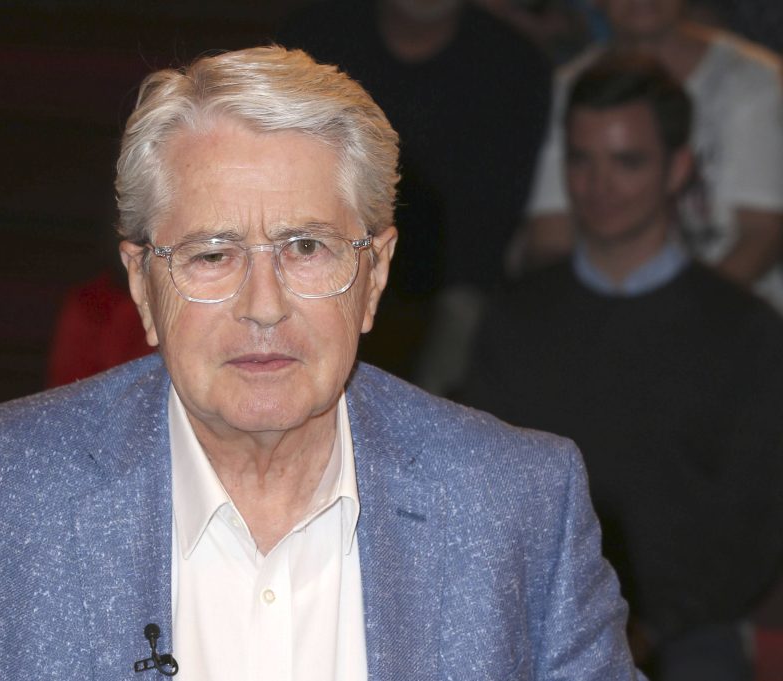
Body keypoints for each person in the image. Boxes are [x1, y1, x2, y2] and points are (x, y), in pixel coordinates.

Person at [0, 46, 640, 680]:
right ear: (143, 287)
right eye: (212, 254)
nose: (263, 305)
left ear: (374, 277)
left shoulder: (520, 504)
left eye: (306, 248)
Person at [465, 54, 783, 680]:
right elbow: (483, 493)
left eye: (627, 161)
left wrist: (647, 628)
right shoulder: (517, 319)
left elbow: (756, 523)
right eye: (581, 160)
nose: (599, 185)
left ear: (679, 169)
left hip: (687, 632)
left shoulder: (744, 332)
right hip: (534, 622)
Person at [280, 0, 551, 390]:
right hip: (317, 267)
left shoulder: (512, 62)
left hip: (462, 291)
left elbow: (497, 220)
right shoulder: (312, 40)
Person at [519, 0, 783, 314]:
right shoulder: (569, 88)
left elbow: (763, 233)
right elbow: (551, 238)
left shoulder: (751, 80)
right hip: (602, 315)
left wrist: (675, 319)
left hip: (731, 314)